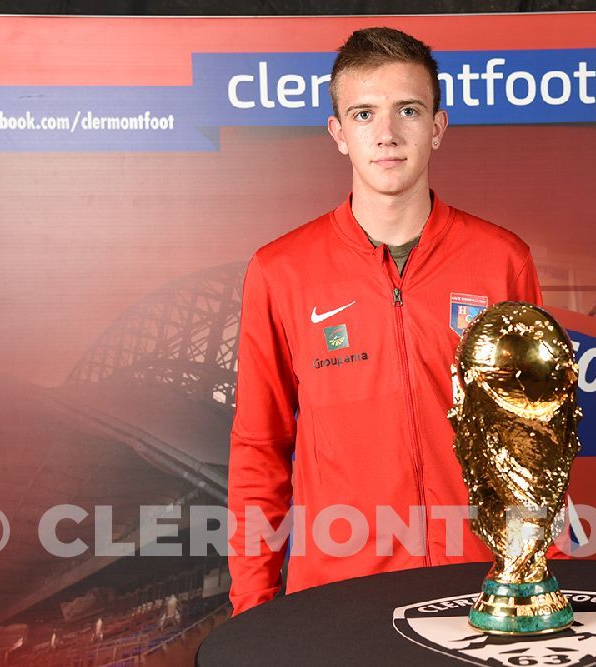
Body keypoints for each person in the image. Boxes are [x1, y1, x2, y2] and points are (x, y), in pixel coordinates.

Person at [227, 27, 544, 616]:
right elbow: (259, 450)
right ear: (338, 133)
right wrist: (252, 607)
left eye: (408, 110)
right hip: (339, 596)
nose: (388, 134)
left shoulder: (502, 261)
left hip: (482, 590)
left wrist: (545, 581)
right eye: (364, 113)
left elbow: (534, 440)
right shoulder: (281, 272)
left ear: (437, 127)